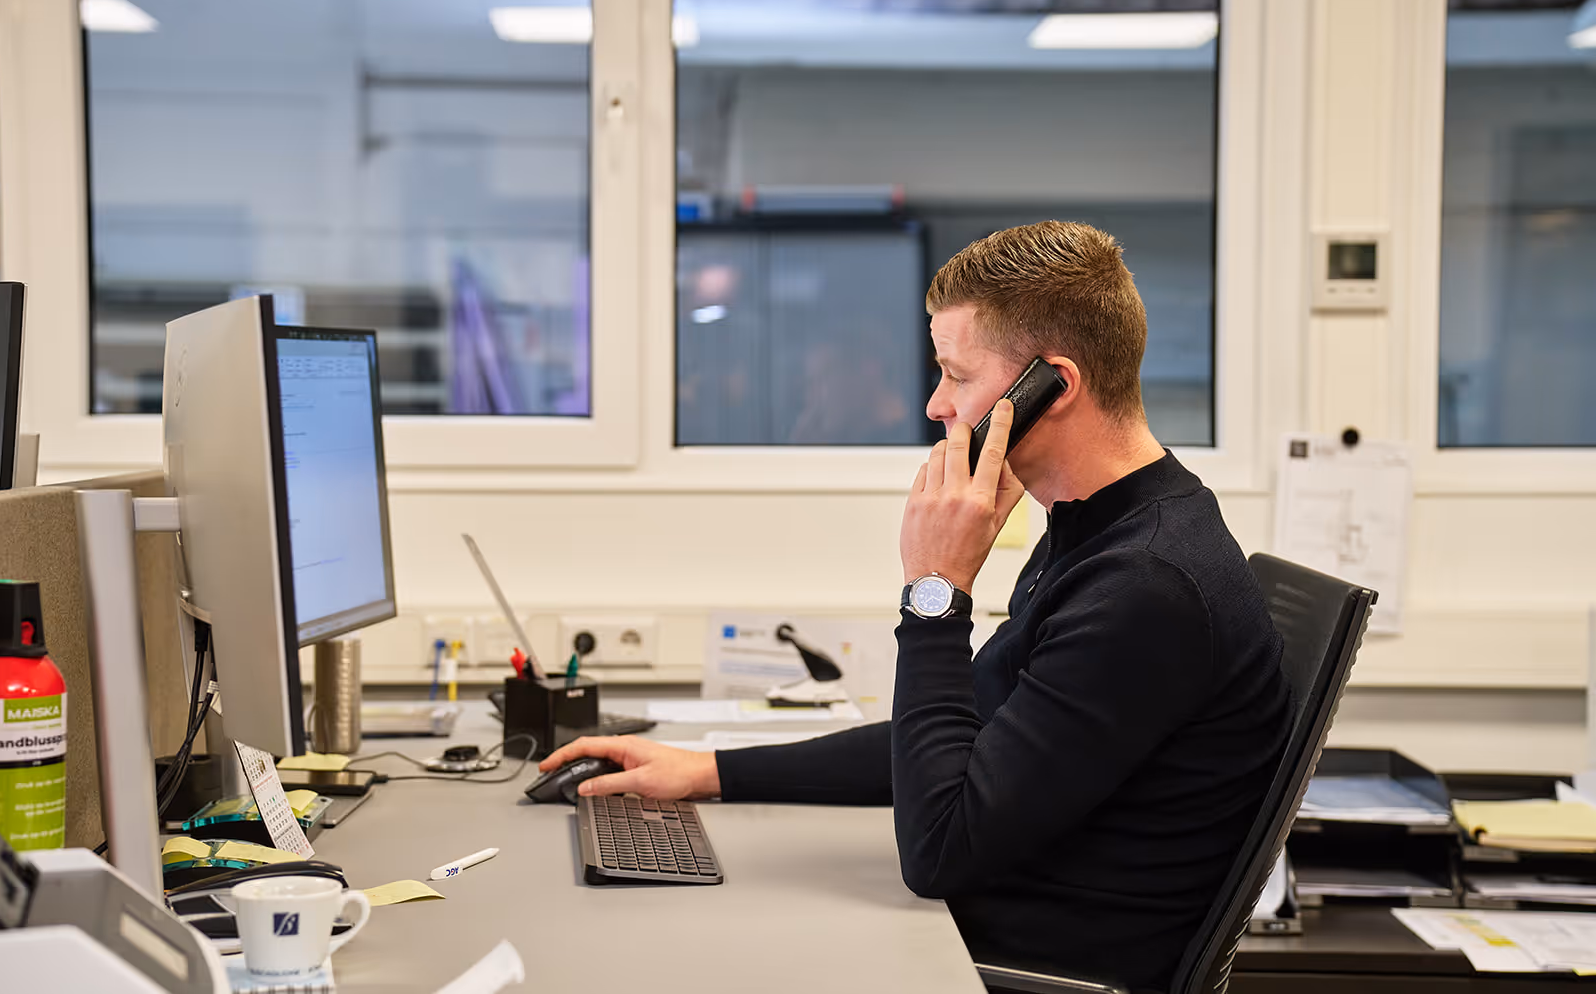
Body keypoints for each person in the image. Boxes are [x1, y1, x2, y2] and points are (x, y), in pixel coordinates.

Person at [540, 221, 1290, 991]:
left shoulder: (1146, 584)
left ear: (1053, 388)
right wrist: (708, 770)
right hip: (979, 942)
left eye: (956, 376)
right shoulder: (1102, 528)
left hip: (1023, 972)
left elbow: (939, 848)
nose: (936, 404)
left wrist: (936, 590)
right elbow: (962, 736)